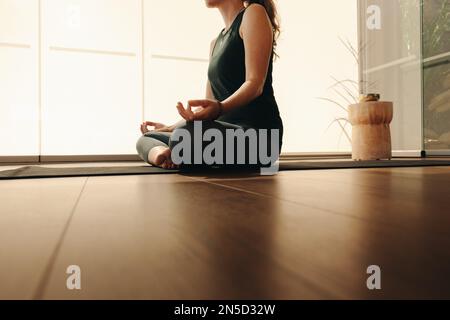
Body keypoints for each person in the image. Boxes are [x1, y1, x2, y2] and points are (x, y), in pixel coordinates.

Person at [136, 0, 283, 170]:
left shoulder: (253, 13)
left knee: (185, 134)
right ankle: (164, 155)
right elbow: (206, 109)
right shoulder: (215, 43)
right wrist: (168, 128)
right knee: (148, 138)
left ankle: (178, 151)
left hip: (259, 139)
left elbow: (255, 83)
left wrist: (220, 108)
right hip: (220, 135)